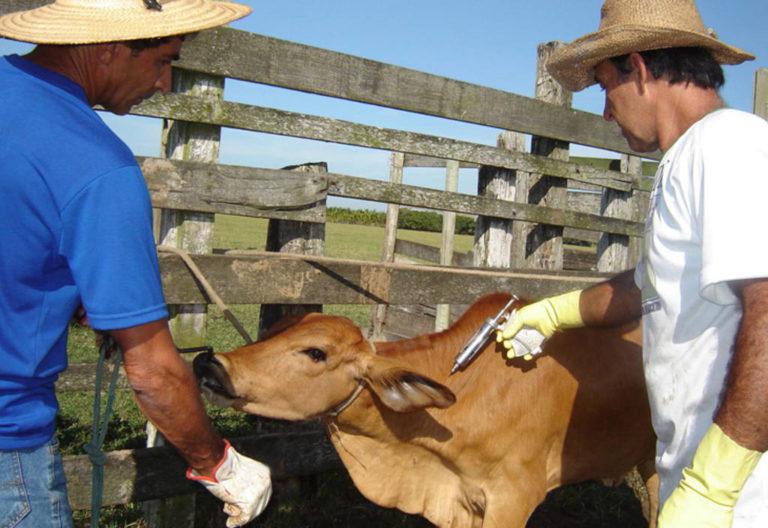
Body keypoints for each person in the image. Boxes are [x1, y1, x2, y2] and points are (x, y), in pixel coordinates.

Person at [0, 1, 272, 527]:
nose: (165, 84)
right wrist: (218, 464)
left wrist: (59, 283)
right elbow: (152, 372)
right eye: (162, 61)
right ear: (108, 50)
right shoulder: (97, 165)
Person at [497, 0, 768, 527]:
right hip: (702, 481)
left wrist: (716, 485)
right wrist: (553, 313)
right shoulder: (685, 162)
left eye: (604, 87)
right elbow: (644, 288)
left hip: (747, 497)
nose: (605, 111)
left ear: (639, 68)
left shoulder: (731, 147)